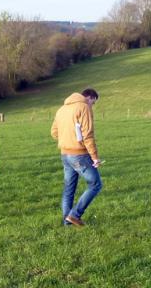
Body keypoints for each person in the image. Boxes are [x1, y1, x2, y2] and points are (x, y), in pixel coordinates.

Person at [51, 88, 103, 227]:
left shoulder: (61, 109)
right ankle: (74, 215)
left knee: (69, 188)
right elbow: (88, 135)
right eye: (93, 102)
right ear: (88, 97)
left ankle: (66, 221)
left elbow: (54, 132)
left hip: (64, 154)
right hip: (79, 154)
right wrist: (95, 157)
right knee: (96, 184)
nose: (92, 105)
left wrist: (67, 139)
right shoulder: (84, 107)